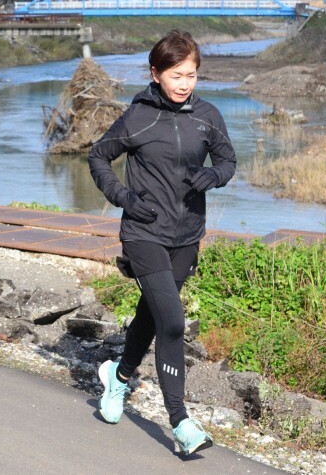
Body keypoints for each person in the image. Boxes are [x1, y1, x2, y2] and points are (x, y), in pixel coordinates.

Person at [87, 30, 236, 456]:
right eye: (176, 74)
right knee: (172, 320)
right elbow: (98, 156)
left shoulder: (208, 116)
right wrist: (122, 197)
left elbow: (227, 160)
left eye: (191, 74)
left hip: (187, 235)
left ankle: (117, 377)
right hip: (143, 233)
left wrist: (216, 175)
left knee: (151, 315)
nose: (184, 83)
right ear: (156, 74)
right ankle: (181, 422)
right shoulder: (139, 117)